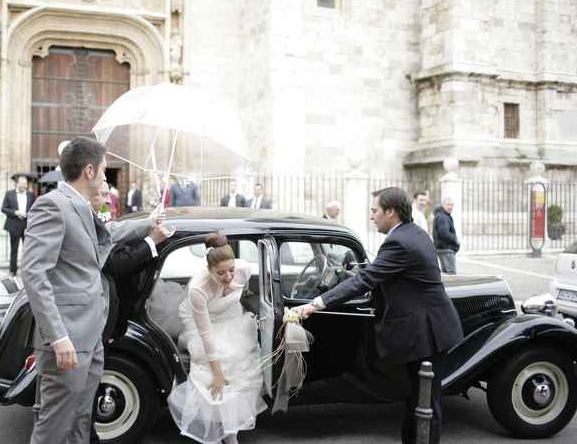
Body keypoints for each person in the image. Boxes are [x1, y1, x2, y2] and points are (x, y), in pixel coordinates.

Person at [22, 137, 171, 444]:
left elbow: (109, 234)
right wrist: (58, 336)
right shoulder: (52, 206)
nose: (106, 176)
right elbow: (34, 273)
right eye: (104, 170)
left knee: (81, 418)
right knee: (54, 426)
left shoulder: (79, 206)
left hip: (91, 335)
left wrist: (149, 223)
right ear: (89, 171)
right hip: (68, 339)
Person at [293, 187, 463, 444]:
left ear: (391, 212)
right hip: (429, 327)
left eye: (375, 211)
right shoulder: (413, 233)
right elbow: (382, 273)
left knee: (425, 403)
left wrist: (317, 303)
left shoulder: (399, 242)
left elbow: (366, 279)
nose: (372, 216)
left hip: (426, 333)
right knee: (419, 399)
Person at [168, 232, 266, 444]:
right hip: (205, 323)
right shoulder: (197, 289)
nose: (229, 276)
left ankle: (231, 430)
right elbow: (205, 335)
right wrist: (217, 373)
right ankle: (226, 433)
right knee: (217, 368)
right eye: (221, 273)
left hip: (232, 317)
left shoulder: (243, 269)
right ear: (208, 269)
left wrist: (232, 285)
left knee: (242, 364)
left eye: (231, 270)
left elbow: (243, 278)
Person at [1, 174, 35, 276]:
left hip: (27, 225)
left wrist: (29, 213)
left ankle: (26, 270)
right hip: (14, 224)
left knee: (28, 249)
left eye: (25, 184)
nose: (24, 186)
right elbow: (4, 208)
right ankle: (13, 270)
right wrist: (16, 212)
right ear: (17, 184)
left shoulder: (30, 195)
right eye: (21, 183)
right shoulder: (9, 194)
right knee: (14, 249)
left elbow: (34, 208)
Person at [433, 196, 459, 275]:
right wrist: (455, 240)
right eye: (448, 205)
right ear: (443, 205)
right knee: (451, 273)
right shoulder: (442, 217)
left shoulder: (443, 215)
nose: (450, 207)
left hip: (444, 249)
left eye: (452, 205)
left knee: (446, 273)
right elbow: (444, 233)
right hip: (446, 249)